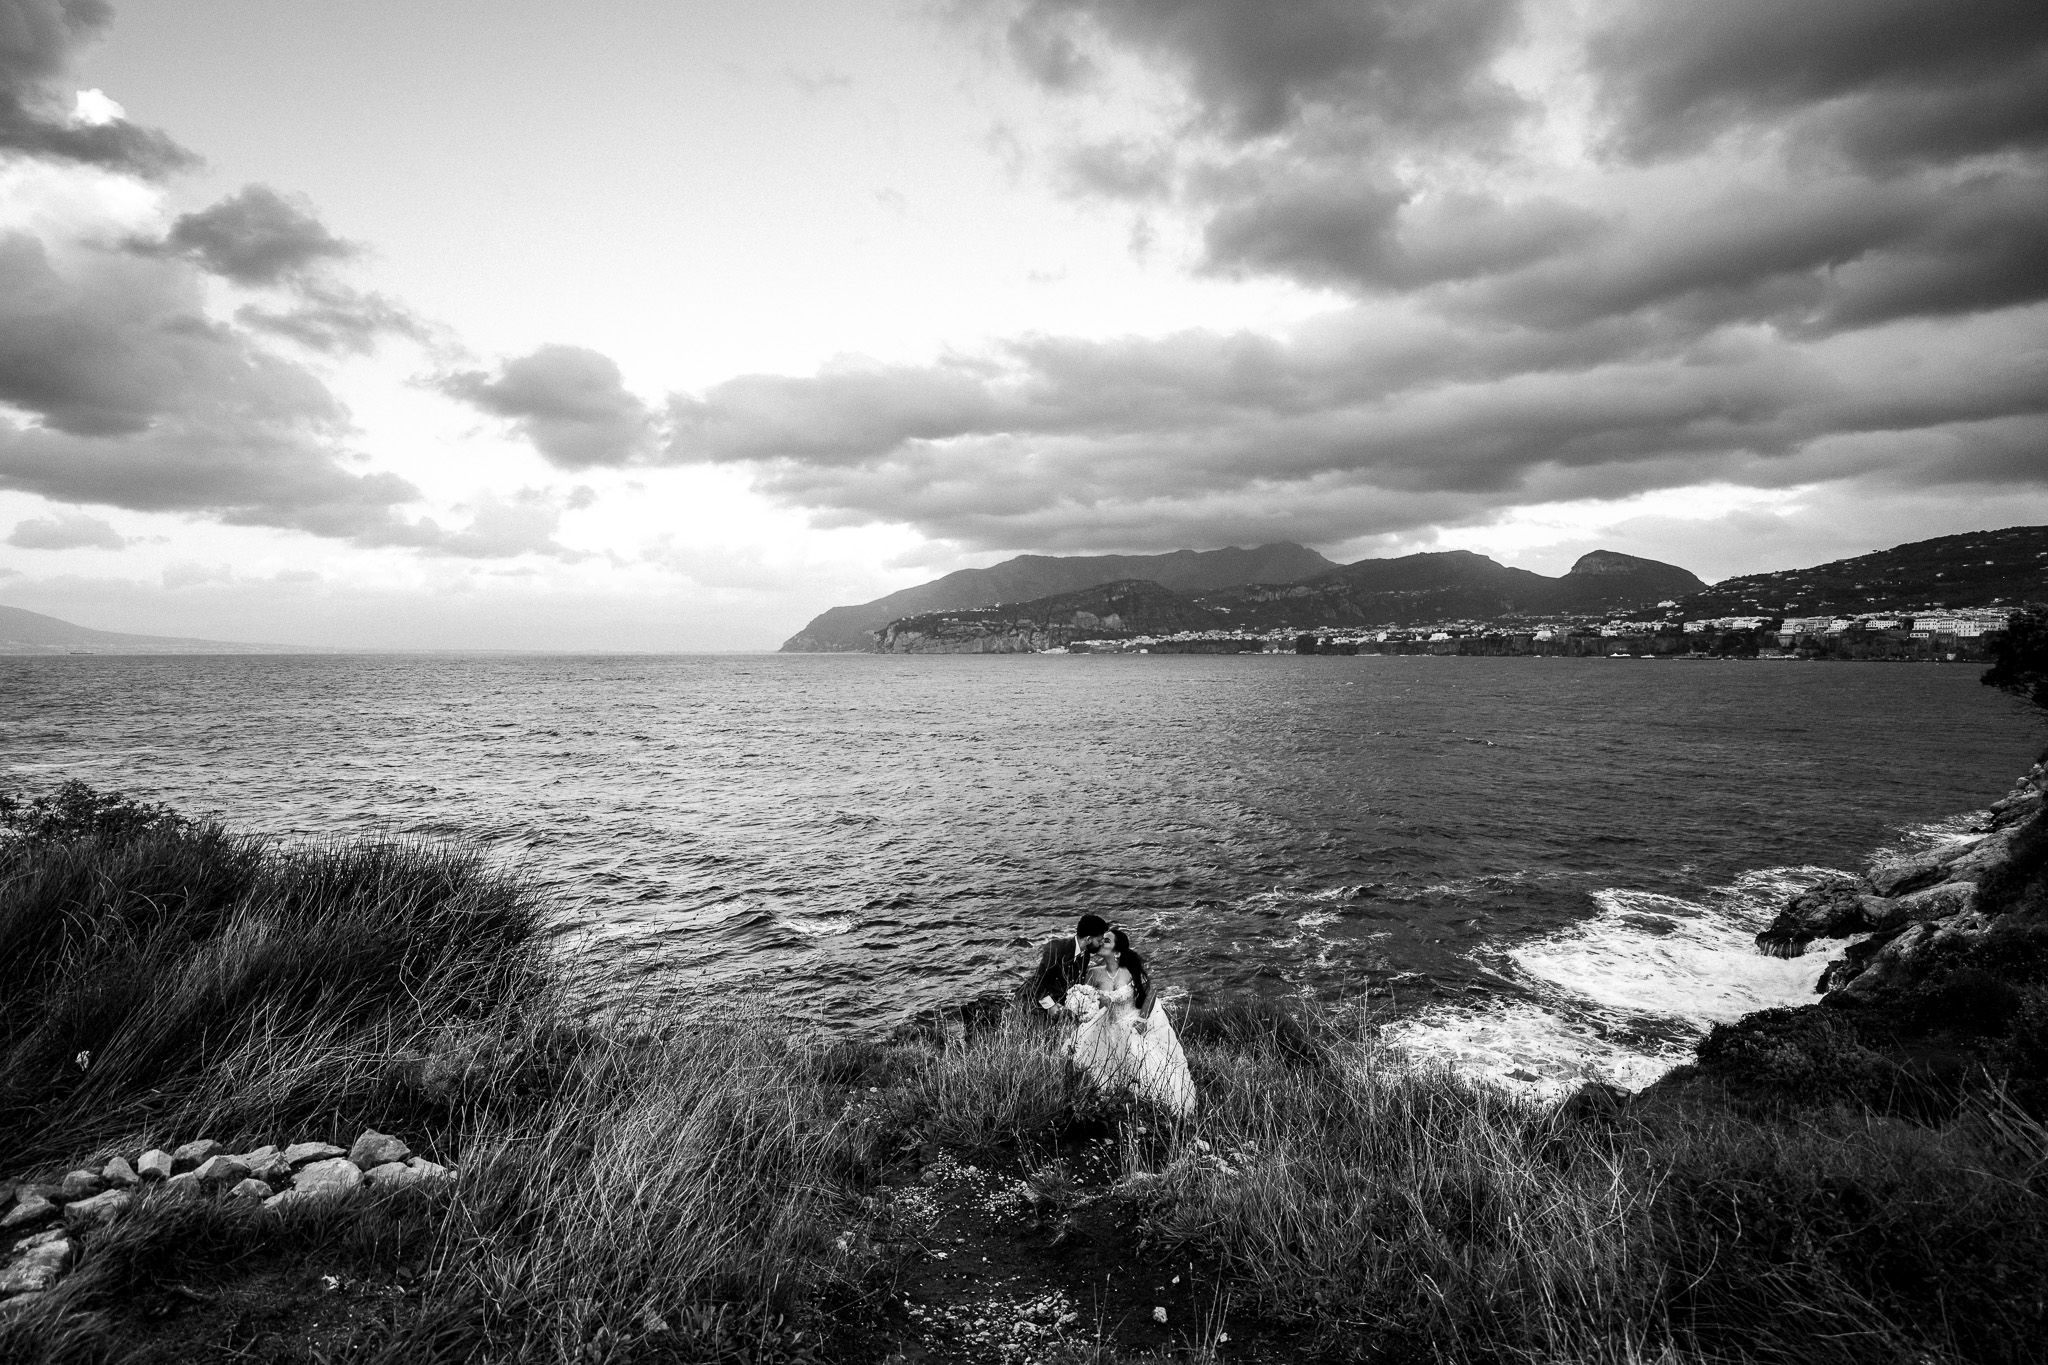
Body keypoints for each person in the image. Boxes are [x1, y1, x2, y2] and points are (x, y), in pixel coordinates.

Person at [1065, 927, 1196, 1117]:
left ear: (1117, 952)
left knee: (1140, 1060)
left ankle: (1150, 1103)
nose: (1101, 942)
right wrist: (1081, 1006)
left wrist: (1142, 1020)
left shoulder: (1129, 971)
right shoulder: (1093, 973)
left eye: (1107, 940)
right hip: (1105, 1024)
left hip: (1129, 1023)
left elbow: (1150, 992)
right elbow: (1089, 1000)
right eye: (1102, 939)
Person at [1018, 913, 1112, 1015]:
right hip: (1031, 1002)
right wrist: (1051, 1005)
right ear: (1088, 939)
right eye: (1099, 940)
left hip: (1058, 1004)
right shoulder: (1056, 949)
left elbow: (1074, 984)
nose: (1102, 943)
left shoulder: (1085, 955)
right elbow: (1038, 982)